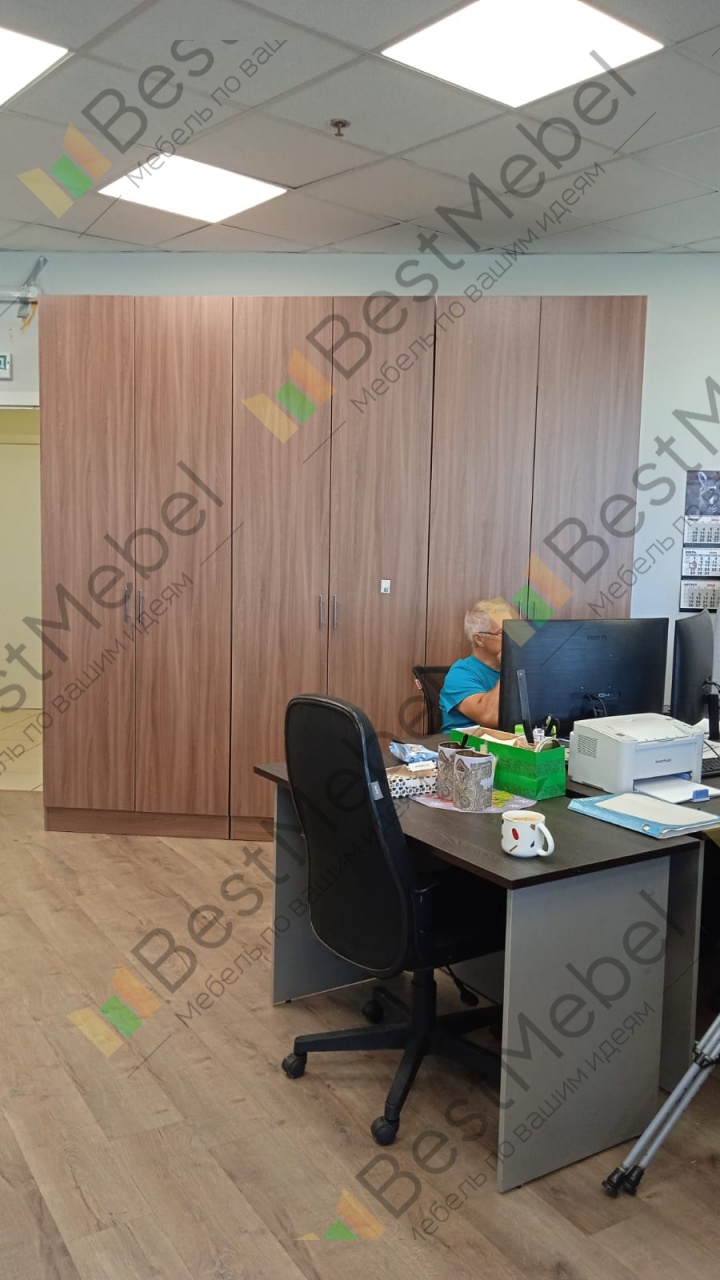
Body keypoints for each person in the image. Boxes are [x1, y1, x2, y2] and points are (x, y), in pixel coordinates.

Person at [439, 599, 514, 732]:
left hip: (513, 741)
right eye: (503, 633)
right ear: (479, 639)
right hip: (467, 744)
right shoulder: (460, 674)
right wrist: (509, 666)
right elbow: (490, 717)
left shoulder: (522, 670)